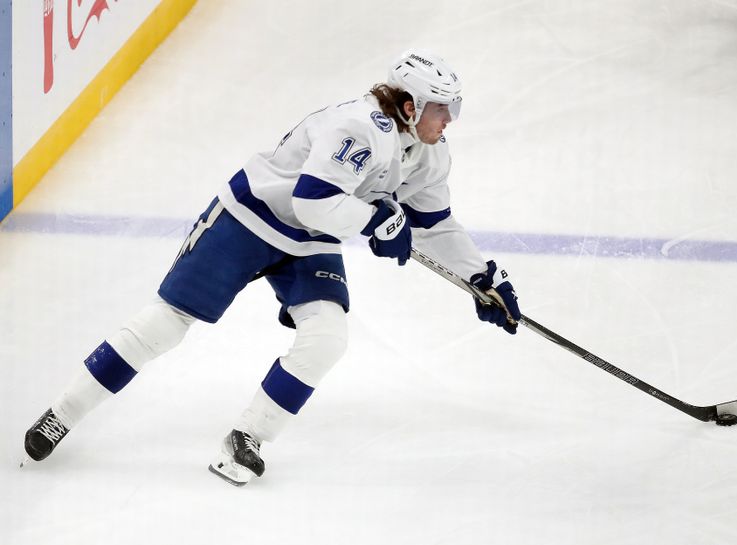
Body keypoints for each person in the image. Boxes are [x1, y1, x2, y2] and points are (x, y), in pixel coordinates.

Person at [22, 49, 522, 486]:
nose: (449, 119)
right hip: (250, 217)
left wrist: (481, 277)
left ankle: (247, 437)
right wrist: (376, 220)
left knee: (327, 337)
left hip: (311, 237)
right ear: (410, 105)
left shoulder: (428, 155)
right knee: (165, 326)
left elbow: (435, 222)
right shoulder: (361, 128)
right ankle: (61, 414)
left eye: (452, 107)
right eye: (442, 108)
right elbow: (311, 199)